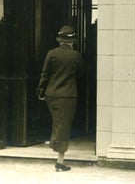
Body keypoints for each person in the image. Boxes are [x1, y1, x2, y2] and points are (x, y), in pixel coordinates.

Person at [37, 24, 84, 172]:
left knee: (58, 123)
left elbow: (44, 74)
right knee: (63, 126)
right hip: (68, 95)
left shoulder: (51, 53)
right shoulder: (76, 56)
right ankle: (60, 162)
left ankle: (54, 143)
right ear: (73, 40)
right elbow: (82, 76)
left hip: (51, 94)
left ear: (59, 39)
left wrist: (41, 91)